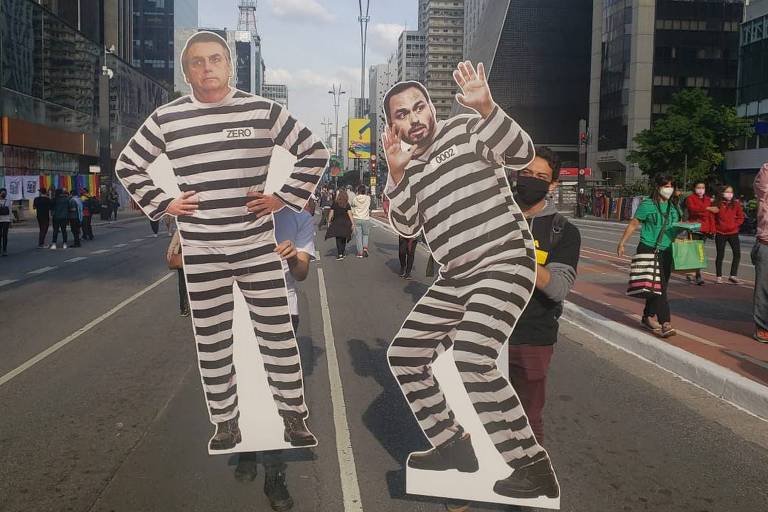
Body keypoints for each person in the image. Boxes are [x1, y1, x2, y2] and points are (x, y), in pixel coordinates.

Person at [115, 31, 327, 452]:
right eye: (197, 62)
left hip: (256, 247)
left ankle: (293, 417)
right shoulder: (166, 119)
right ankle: (226, 423)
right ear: (186, 71)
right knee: (212, 341)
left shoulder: (262, 111)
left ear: (230, 66)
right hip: (202, 251)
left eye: (215, 59)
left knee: (278, 336)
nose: (207, 67)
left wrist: (281, 197)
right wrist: (164, 203)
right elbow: (128, 164)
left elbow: (314, 152)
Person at [384, 62, 558, 500]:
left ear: (431, 109)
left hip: (502, 262)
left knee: (473, 357)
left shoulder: (465, 129)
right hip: (456, 277)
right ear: (391, 127)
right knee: (405, 355)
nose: (414, 119)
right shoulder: (409, 165)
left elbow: (521, 153)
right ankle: (454, 446)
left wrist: (487, 107)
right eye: (401, 115)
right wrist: (397, 173)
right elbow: (405, 225)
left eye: (418, 108)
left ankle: (531, 465)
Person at [234, 200, 317, 511]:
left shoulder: (299, 217)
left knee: (275, 393)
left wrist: (294, 255)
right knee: (243, 382)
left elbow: (303, 273)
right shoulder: (234, 210)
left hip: (283, 309)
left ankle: (274, 473)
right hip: (239, 306)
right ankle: (246, 448)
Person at [507, 147, 581, 446]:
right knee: (475, 410)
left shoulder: (563, 231)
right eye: (526, 174)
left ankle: (532, 481)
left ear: (552, 185)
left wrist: (518, 253)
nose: (532, 181)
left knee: (527, 415)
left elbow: (559, 287)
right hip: (482, 333)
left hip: (531, 336)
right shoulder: (493, 217)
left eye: (540, 177)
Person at [618, 173, 682, 338]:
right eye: (666, 186)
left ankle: (647, 316)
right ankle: (665, 322)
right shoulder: (647, 204)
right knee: (658, 287)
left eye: (671, 186)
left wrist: (688, 228)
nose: (669, 189)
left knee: (659, 286)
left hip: (667, 250)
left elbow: (677, 227)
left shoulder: (674, 207)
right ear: (658, 187)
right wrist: (622, 242)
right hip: (649, 249)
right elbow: (634, 223)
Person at [684, 181, 717, 285]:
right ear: (694, 188)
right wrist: (707, 208)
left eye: (703, 187)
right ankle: (691, 272)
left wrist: (712, 229)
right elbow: (693, 209)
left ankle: (698, 274)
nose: (701, 189)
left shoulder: (708, 199)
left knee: (700, 252)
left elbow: (711, 215)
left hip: (705, 228)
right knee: (693, 251)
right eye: (698, 187)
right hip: (693, 227)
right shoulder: (690, 198)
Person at [714, 185, 745, 284]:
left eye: (731, 192)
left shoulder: (736, 204)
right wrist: (715, 228)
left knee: (737, 253)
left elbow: (741, 217)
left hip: (733, 233)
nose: (729, 194)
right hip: (720, 233)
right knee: (720, 254)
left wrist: (735, 225)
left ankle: (733, 275)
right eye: (727, 192)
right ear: (722, 193)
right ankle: (719, 276)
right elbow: (713, 218)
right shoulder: (717, 204)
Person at [752, 163, 768, 343]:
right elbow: (762, 185)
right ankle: (762, 326)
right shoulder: (766, 172)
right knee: (764, 288)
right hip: (766, 241)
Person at [166, 227, 189, 317]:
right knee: (185, 283)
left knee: (182, 283)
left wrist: (170, 251)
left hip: (185, 256)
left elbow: (176, 237)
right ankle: (185, 307)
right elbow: (176, 236)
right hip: (187, 257)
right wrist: (170, 250)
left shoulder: (182, 223)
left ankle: (184, 308)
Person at [325, 189, 354, 260]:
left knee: (338, 238)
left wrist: (329, 221)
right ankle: (342, 253)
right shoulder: (347, 204)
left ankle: (340, 254)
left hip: (337, 222)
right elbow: (350, 214)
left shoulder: (335, 203)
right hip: (346, 223)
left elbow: (331, 213)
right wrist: (353, 223)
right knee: (344, 238)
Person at [351, 184, 372, 258]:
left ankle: (360, 252)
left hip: (357, 218)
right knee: (365, 235)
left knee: (358, 236)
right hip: (366, 219)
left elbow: (352, 205)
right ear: (365, 191)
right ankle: (365, 248)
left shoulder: (355, 198)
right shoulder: (368, 198)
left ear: (358, 191)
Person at [0, 188, 10, 256]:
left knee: (5, 235)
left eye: (5, 193)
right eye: (2, 193)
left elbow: (10, 210)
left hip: (6, 220)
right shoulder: (7, 201)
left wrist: (11, 220)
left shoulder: (8, 201)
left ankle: (4, 249)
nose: (4, 194)